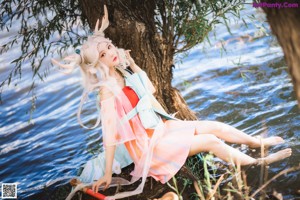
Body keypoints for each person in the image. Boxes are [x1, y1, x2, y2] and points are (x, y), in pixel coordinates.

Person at [53, 5, 292, 200]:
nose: (110, 52)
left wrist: (133, 65)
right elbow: (109, 135)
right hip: (150, 149)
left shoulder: (125, 74)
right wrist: (107, 174)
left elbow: (152, 90)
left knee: (215, 126)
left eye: (108, 46)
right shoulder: (107, 91)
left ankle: (257, 142)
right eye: (103, 54)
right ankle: (256, 162)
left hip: (161, 129)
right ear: (96, 64)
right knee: (210, 141)